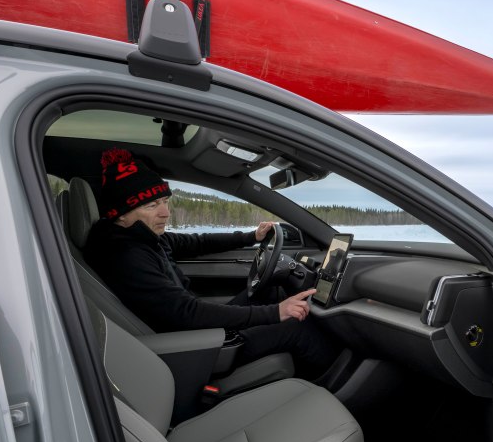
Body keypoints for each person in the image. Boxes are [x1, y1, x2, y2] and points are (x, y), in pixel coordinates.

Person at [84, 148, 338, 376]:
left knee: (270, 288)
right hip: (194, 348)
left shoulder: (143, 237)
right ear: (119, 214)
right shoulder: (126, 255)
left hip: (195, 333)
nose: (165, 212)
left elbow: (197, 241)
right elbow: (187, 313)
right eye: (152, 205)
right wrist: (275, 312)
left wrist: (251, 236)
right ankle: (340, 386)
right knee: (297, 328)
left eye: (164, 201)